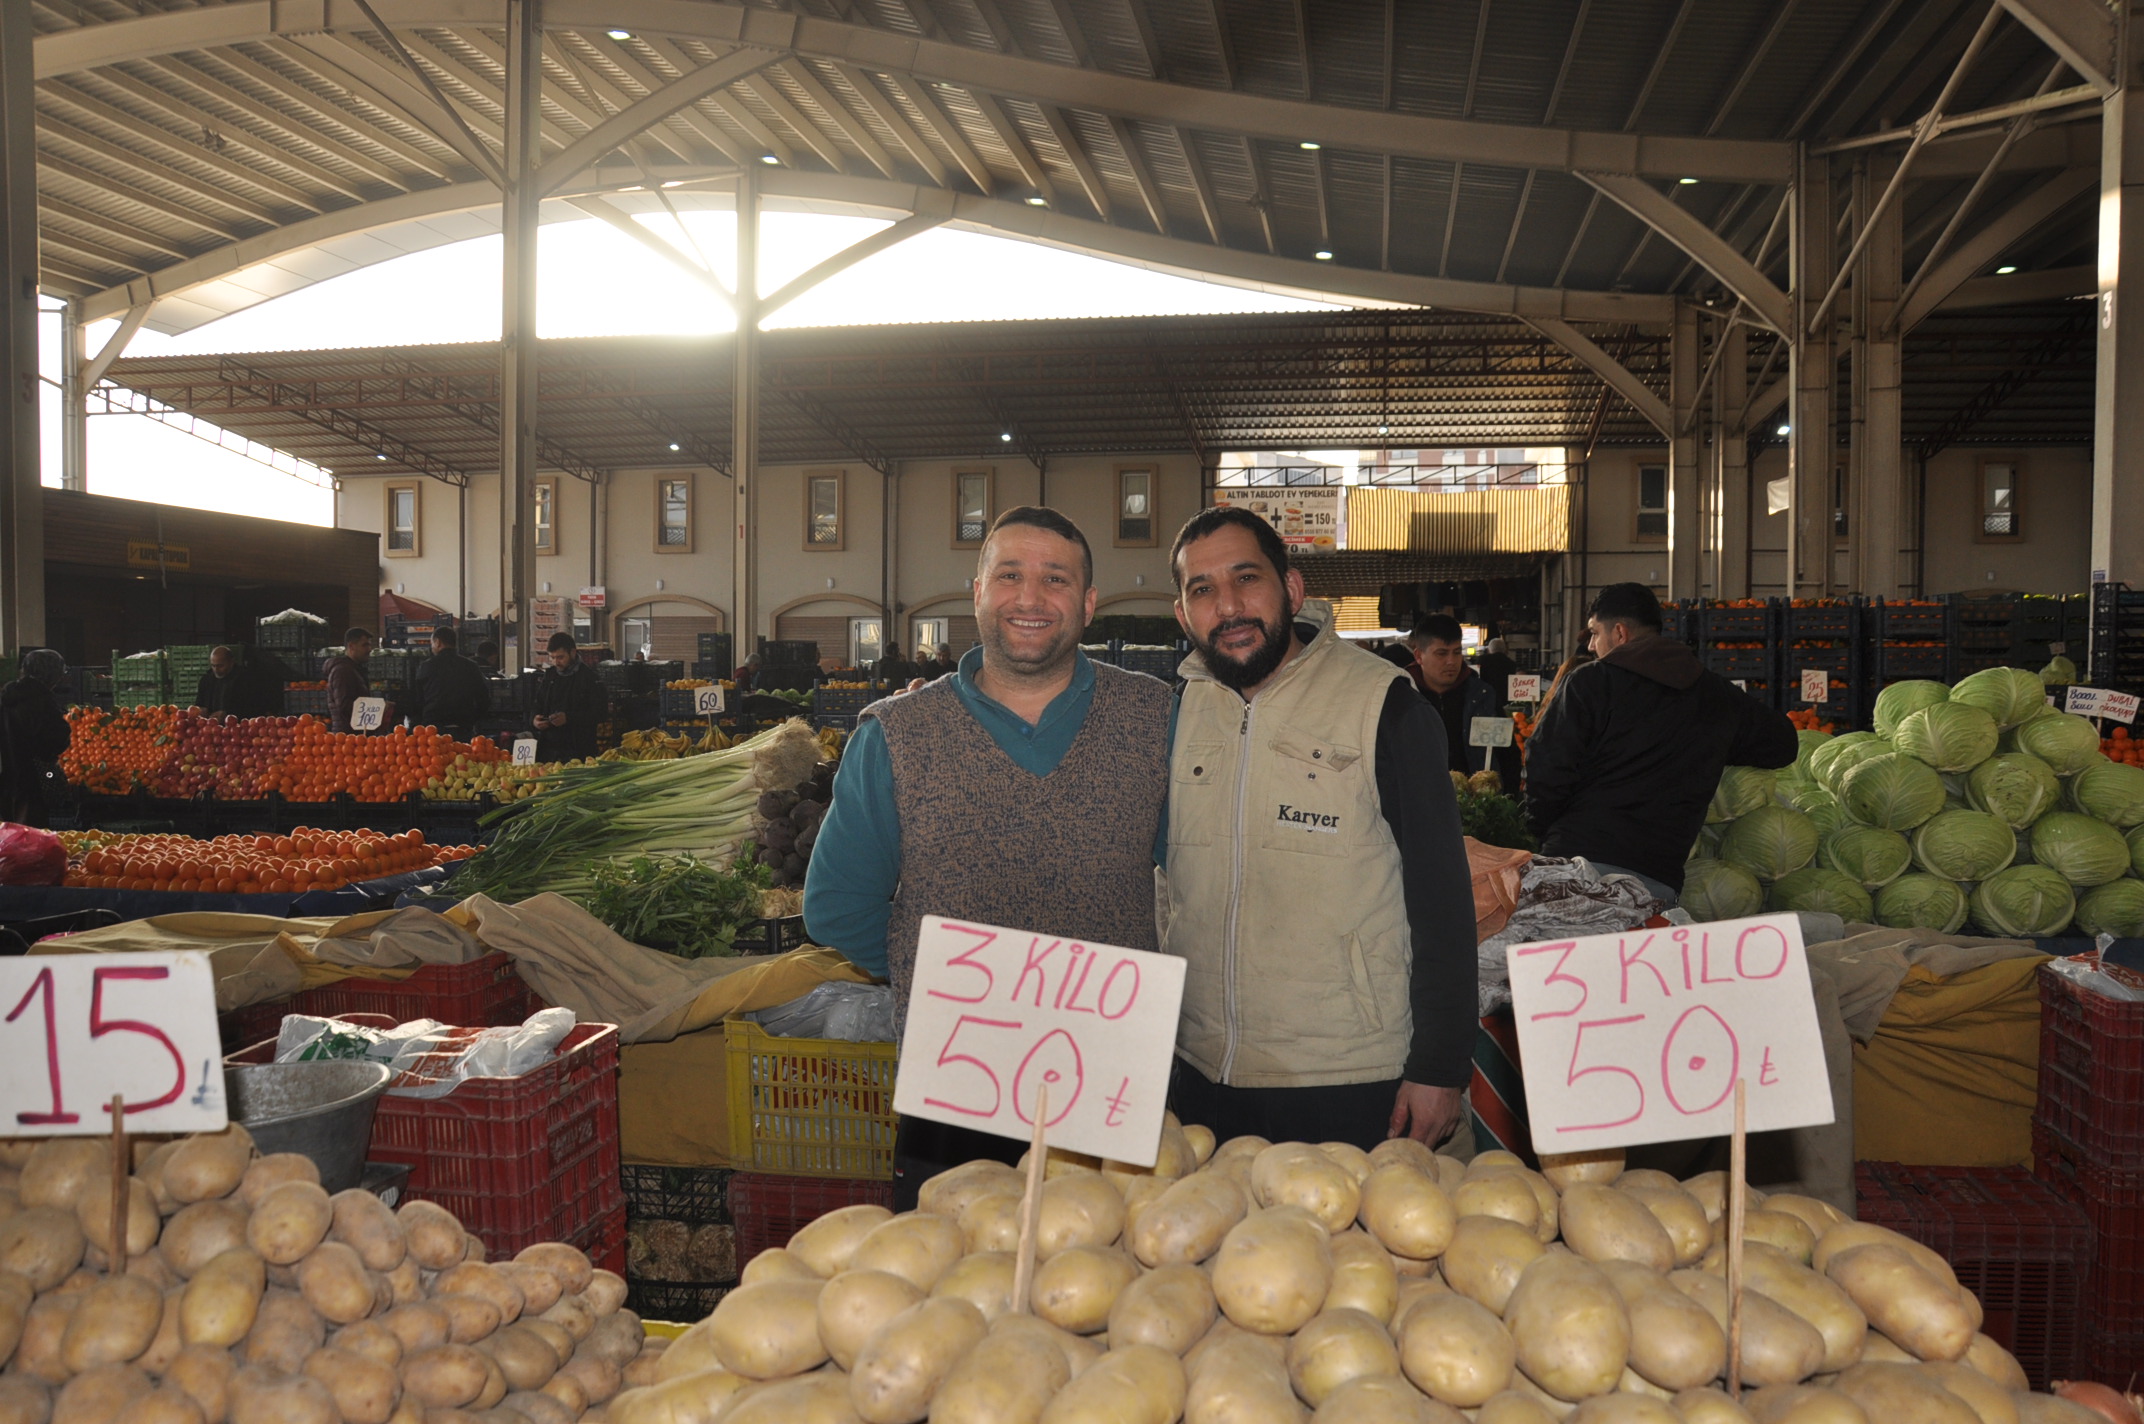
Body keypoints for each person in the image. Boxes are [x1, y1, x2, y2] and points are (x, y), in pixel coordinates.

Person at [806, 507, 1173, 1209]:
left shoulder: (1156, 719)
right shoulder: (896, 736)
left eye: (1055, 579)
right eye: (1009, 575)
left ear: (1089, 604)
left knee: (1112, 1295)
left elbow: (1196, 877)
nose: (1030, 599)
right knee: (951, 1299)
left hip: (1113, 1084)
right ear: (976, 592)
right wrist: (950, 988)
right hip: (956, 1087)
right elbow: (836, 908)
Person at [1161, 507, 1479, 1153]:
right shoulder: (1175, 713)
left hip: (1350, 1078)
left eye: (1246, 578)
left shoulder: (1383, 706)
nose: (1228, 606)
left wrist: (1441, 1066)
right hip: (1197, 1076)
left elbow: (1444, 902)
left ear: (1293, 589)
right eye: (1203, 589)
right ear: (1183, 614)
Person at [1524, 583, 1799, 905]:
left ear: (1620, 633)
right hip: (1654, 880)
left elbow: (1547, 767)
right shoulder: (1715, 694)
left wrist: (1541, 831)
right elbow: (1783, 745)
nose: (1593, 647)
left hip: (1576, 867)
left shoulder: (1590, 682)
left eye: (1595, 634)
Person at [1409, 615, 1520, 786]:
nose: (1451, 661)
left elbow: (1508, 755)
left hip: (1477, 807)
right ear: (1418, 656)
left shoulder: (1482, 695)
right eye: (1441, 653)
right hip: (1419, 803)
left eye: (1457, 652)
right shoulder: (1403, 698)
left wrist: (1505, 799)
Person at [0, 650, 72, 826]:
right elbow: (52, 741)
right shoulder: (42, 700)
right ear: (51, 675)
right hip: (31, 777)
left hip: (5, 774)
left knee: (7, 830)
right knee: (28, 834)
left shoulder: (7, 696)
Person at [531, 633, 605, 762]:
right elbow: (539, 703)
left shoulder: (590, 678)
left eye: (560, 657)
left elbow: (600, 712)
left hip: (579, 749)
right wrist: (535, 720)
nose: (555, 662)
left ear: (572, 652)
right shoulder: (549, 676)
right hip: (549, 750)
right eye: (552, 657)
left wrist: (569, 718)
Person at [409, 627, 492, 742]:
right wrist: (471, 720)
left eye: (432, 643)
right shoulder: (471, 666)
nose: (432, 647)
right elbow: (484, 700)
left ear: (438, 642)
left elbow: (417, 701)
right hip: (463, 729)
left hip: (433, 732)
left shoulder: (427, 666)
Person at [324, 628, 386, 734]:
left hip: (354, 736)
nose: (369, 649)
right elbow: (344, 705)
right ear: (352, 646)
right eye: (365, 645)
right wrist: (377, 708)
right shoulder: (343, 671)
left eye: (369, 645)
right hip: (347, 738)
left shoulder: (353, 669)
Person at [190, 645, 278, 719]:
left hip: (238, 728)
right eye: (213, 665)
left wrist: (228, 714)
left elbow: (256, 706)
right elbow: (199, 703)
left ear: (231, 662)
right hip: (210, 729)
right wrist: (202, 710)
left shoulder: (246, 679)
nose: (216, 670)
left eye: (220, 666)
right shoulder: (206, 680)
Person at [1475, 637, 1521, 703]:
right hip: (1505, 700)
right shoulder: (1511, 663)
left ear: (1489, 649)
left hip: (1487, 698)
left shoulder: (1483, 661)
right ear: (1505, 650)